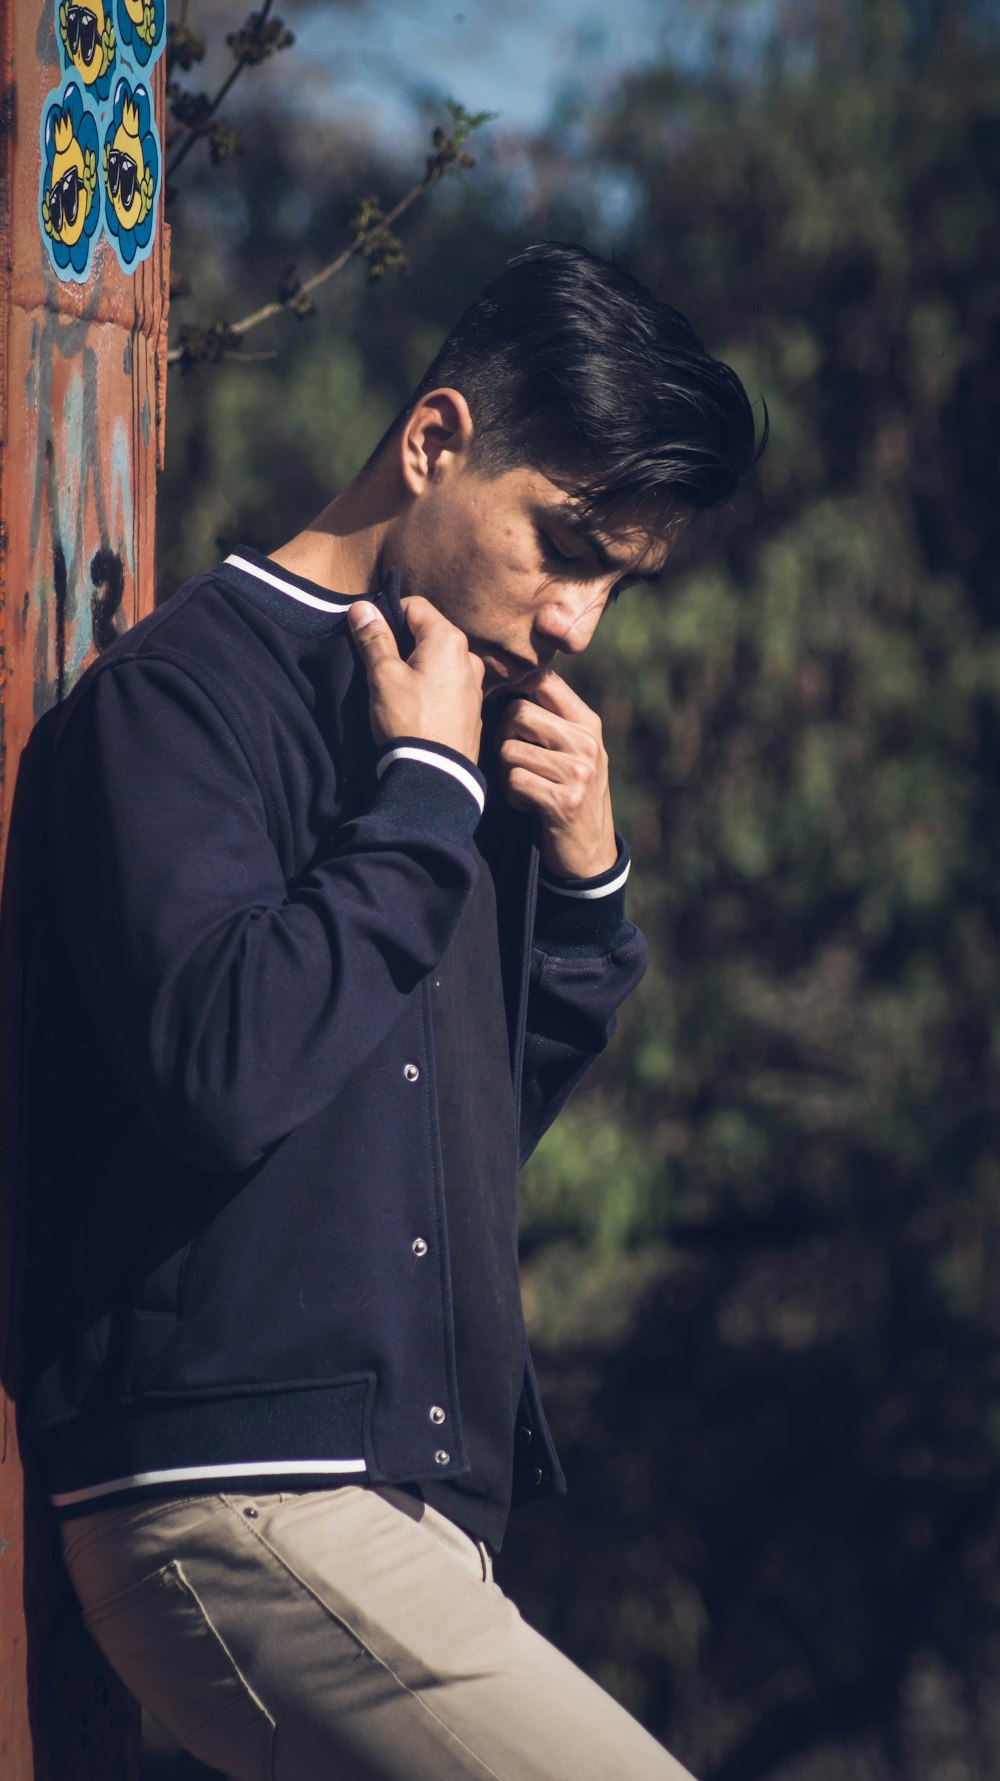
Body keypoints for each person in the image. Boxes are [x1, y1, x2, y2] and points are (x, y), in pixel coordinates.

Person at [21, 242, 764, 1779]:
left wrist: (585, 892)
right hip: (236, 1494)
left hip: (414, 1526)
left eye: (619, 578)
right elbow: (223, 1068)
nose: (580, 622)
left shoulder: (460, 735)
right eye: (564, 545)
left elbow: (454, 1145)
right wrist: (422, 797)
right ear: (433, 443)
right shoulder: (181, 697)